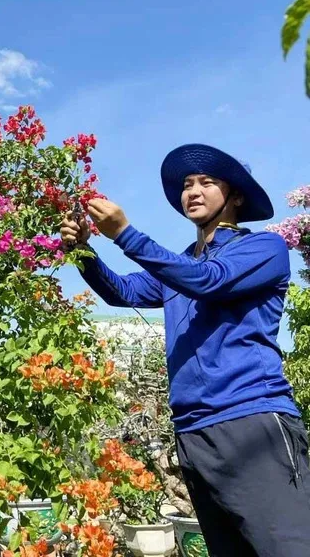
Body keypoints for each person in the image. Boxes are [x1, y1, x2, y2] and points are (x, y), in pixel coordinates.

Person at [61, 144, 310, 556]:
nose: (191, 191)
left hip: (251, 420)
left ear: (236, 196)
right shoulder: (181, 265)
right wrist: (82, 251)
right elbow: (122, 291)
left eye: (207, 182)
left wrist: (125, 234)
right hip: (193, 432)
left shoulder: (263, 249)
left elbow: (210, 280)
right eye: (187, 185)